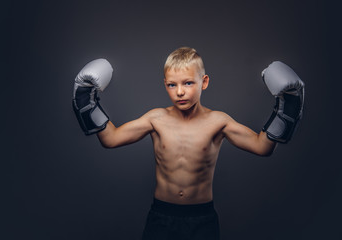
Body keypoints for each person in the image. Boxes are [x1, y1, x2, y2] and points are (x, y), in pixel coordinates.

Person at [72, 47, 304, 240]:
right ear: (165, 84)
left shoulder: (218, 121)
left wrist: (288, 105)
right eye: (172, 85)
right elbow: (110, 139)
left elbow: (262, 147)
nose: (180, 92)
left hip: (202, 220)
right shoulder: (156, 118)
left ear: (204, 82)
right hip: (161, 217)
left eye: (188, 83)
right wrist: (86, 99)